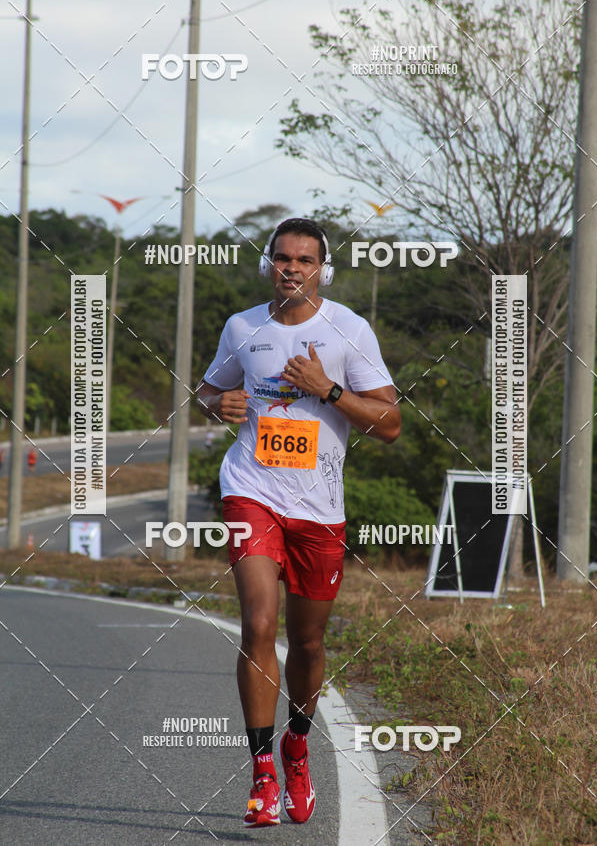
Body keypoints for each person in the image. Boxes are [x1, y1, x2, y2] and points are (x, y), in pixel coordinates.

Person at [196, 217, 401, 828]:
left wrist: (328, 389)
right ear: (269, 263)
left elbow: (389, 425)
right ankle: (261, 767)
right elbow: (205, 393)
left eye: (304, 260)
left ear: (322, 269)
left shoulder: (348, 330)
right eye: (282, 258)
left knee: (308, 642)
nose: (292, 268)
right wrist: (218, 404)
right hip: (251, 491)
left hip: (319, 508)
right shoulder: (243, 327)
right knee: (258, 623)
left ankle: (297, 743)